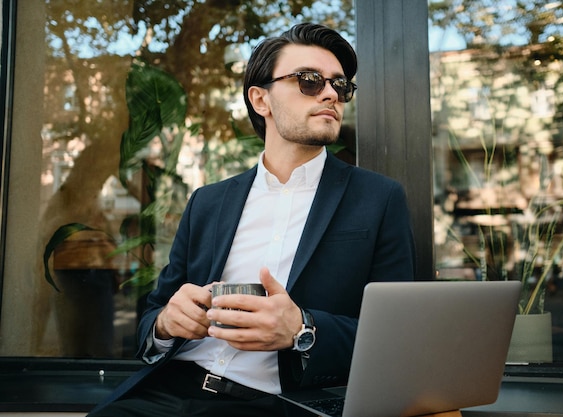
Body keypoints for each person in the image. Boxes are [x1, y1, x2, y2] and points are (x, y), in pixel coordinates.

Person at [88, 22, 416, 417]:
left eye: (340, 85)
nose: (331, 93)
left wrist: (303, 329)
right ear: (260, 100)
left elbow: (399, 337)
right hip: (169, 392)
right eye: (309, 81)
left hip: (278, 403)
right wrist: (166, 324)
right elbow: (153, 315)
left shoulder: (378, 199)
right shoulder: (207, 202)